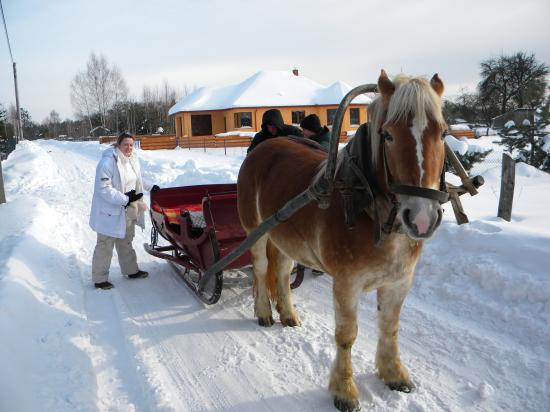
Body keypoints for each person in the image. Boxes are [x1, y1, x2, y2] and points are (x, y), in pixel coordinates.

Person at [89, 132, 160, 290]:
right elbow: (103, 189)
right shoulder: (107, 162)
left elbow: (138, 179)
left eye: (131, 144)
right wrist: (125, 199)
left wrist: (150, 187)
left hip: (129, 208)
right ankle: (100, 279)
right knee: (105, 244)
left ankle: (131, 270)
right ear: (118, 145)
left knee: (126, 240)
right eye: (125, 144)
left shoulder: (132, 159)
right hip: (110, 211)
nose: (129, 148)